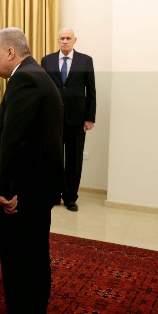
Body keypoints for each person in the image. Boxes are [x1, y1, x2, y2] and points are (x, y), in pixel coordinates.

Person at [0, 27, 64, 314]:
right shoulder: (35, 74)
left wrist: (6, 191)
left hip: (24, 193)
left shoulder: (24, 80)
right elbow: (20, 136)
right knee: (33, 257)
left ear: (11, 53)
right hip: (37, 188)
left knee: (19, 262)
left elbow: (14, 142)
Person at [41, 29, 96, 212]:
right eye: (62, 38)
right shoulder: (46, 60)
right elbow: (42, 90)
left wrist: (89, 118)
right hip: (52, 118)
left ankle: (71, 197)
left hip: (77, 119)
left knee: (74, 160)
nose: (65, 41)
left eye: (68, 38)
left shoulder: (85, 60)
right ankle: (54, 194)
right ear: (57, 40)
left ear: (74, 40)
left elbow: (91, 91)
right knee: (54, 158)